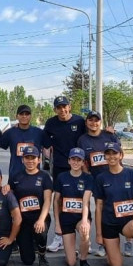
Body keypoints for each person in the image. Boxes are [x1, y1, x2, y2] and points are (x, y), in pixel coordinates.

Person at [94, 142, 133, 266]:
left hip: (128, 221)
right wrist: (99, 234)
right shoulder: (101, 178)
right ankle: (110, 251)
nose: (111, 156)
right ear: (105, 156)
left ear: (121, 155)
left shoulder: (131, 174)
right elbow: (99, 206)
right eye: (108, 154)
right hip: (109, 222)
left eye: (115, 153)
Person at [43, 96, 86, 253]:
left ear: (70, 106)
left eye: (65, 106)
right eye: (59, 107)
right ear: (55, 109)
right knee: (59, 201)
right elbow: (44, 144)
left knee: (80, 201)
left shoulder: (80, 122)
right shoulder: (51, 123)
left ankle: (80, 237)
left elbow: (93, 133)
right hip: (60, 167)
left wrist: (108, 133)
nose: (62, 110)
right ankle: (59, 236)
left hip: (78, 167)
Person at [75, 110, 119, 257]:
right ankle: (97, 242)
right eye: (90, 120)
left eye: (96, 120)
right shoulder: (82, 139)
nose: (94, 123)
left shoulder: (109, 135)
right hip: (94, 181)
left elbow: (119, 155)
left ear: (101, 122)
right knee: (97, 210)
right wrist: (87, 174)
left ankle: (120, 242)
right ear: (86, 122)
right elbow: (82, 160)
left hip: (112, 179)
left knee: (114, 210)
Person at [8, 146, 52, 266]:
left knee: (40, 232)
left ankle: (42, 255)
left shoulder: (44, 177)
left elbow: (48, 200)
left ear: (39, 160)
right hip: (23, 221)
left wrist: (41, 219)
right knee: (27, 260)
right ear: (23, 160)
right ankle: (30, 244)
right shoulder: (16, 177)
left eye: (33, 158)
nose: (30, 161)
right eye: (27, 158)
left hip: (39, 217)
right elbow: (10, 196)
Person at [52, 148, 94, 266]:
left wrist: (85, 221)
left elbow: (86, 201)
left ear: (83, 163)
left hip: (81, 217)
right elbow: (56, 201)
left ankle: (83, 260)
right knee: (70, 263)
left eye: (79, 160)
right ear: (69, 161)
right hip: (66, 219)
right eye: (73, 159)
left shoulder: (88, 178)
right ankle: (73, 253)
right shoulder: (61, 177)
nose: (76, 162)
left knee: (84, 231)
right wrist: (57, 224)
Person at [0, 104, 50, 182]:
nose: (24, 116)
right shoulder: (10, 133)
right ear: (17, 116)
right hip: (15, 175)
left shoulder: (39, 133)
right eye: (21, 114)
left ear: (30, 116)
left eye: (27, 114)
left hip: (34, 177)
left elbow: (50, 145)